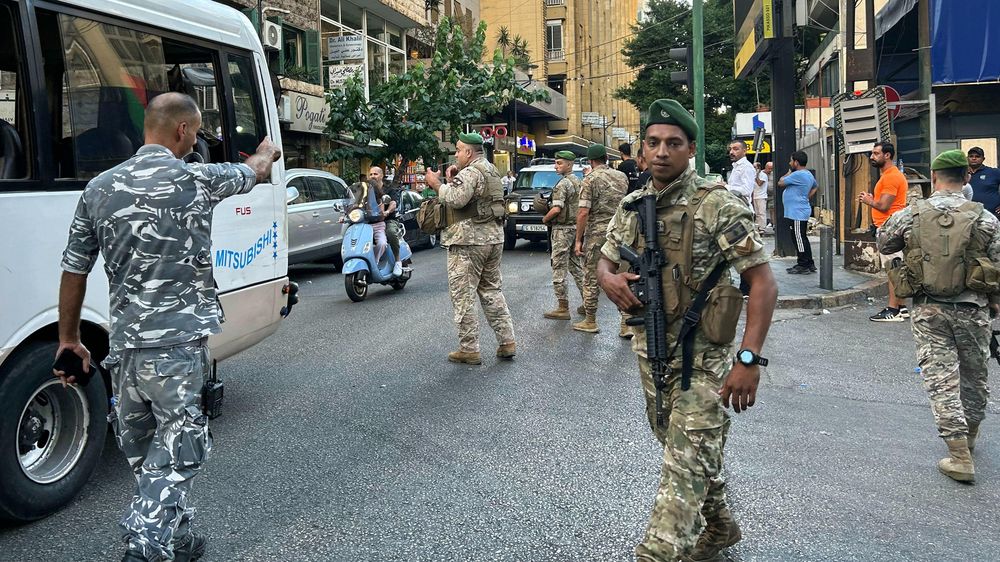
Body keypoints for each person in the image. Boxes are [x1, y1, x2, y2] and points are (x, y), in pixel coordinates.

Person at [55, 92, 281, 562]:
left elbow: (74, 268)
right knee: (180, 448)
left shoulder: (98, 188)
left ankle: (179, 538)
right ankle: (145, 544)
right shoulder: (196, 178)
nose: (194, 142)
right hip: (177, 348)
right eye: (195, 134)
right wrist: (266, 150)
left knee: (145, 453)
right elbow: (256, 171)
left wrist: (69, 339)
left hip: (125, 350)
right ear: (182, 130)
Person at [598, 98, 778, 562]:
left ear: (691, 148)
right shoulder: (633, 205)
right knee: (683, 449)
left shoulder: (716, 204)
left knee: (682, 464)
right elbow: (605, 257)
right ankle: (719, 527)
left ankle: (658, 552)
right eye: (653, 142)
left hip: (705, 362)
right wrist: (609, 280)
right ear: (642, 149)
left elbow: (762, 282)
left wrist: (749, 359)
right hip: (654, 353)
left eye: (673, 143)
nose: (662, 152)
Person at [878, 149, 1000, 483]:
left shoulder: (912, 214)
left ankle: (959, 455)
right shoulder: (985, 218)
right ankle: (970, 437)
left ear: (933, 177)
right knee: (975, 376)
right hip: (973, 308)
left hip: (929, 308)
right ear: (967, 176)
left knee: (941, 379)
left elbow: (885, 243)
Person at [424, 132, 515, 364]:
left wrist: (436, 184)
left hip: (469, 241)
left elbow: (456, 199)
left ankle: (469, 348)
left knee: (463, 295)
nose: (456, 155)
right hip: (493, 238)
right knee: (492, 291)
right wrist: (453, 179)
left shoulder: (471, 172)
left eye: (458, 150)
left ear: (468, 152)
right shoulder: (491, 170)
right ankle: (507, 342)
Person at [573, 143, 628, 334]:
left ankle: (590, 320)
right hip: (619, 233)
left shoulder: (589, 180)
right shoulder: (621, 177)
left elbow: (583, 212)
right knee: (619, 276)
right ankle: (626, 323)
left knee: (591, 276)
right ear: (606, 158)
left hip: (597, 235)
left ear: (591, 161)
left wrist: (578, 239)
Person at [860, 141, 908, 321]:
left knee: (892, 270)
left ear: (887, 155)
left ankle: (893, 309)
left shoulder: (891, 177)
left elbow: (884, 205)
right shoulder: (889, 175)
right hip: (890, 227)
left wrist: (869, 200)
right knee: (896, 269)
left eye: (876, 153)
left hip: (890, 229)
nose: (872, 157)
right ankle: (901, 307)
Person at [541, 150, 586, 319]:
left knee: (559, 267)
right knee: (576, 267)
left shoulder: (563, 184)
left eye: (559, 163)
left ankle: (562, 307)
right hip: (575, 227)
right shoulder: (578, 181)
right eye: (556, 162)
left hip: (562, 230)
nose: (556, 166)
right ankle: (588, 302)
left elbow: (556, 209)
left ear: (569, 164)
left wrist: (545, 219)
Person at [778, 151, 818, 274]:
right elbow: (815, 186)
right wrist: (806, 197)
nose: (789, 163)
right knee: (802, 237)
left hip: (797, 212)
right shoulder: (808, 174)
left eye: (791, 161)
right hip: (800, 210)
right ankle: (809, 263)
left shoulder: (797, 174)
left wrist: (789, 172)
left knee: (798, 238)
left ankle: (803, 264)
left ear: (796, 162)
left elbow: (780, 182)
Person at [368, 166, 403, 276]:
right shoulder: (367, 189)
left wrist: (387, 211)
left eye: (375, 174)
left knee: (391, 232)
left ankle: (398, 261)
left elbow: (393, 203)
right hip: (369, 221)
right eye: (371, 174)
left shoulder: (389, 189)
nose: (373, 176)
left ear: (382, 175)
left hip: (388, 220)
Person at [967, 146, 1000, 218]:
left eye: (977, 156)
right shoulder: (962, 174)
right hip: (968, 217)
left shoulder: (993, 172)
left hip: (992, 216)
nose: (974, 158)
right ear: (967, 158)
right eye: (971, 156)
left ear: (983, 159)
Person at [725, 140, 755, 207]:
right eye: (730, 149)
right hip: (736, 206)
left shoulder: (746, 167)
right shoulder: (736, 166)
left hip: (742, 208)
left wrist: (725, 186)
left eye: (735, 149)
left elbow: (747, 190)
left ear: (744, 151)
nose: (731, 152)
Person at [753, 162, 769, 233]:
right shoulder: (753, 175)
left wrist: (756, 175)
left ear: (758, 168)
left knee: (761, 213)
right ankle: (757, 227)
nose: (753, 169)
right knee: (757, 213)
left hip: (761, 196)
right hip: (755, 196)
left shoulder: (763, 175)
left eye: (755, 167)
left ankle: (762, 228)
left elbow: (759, 183)